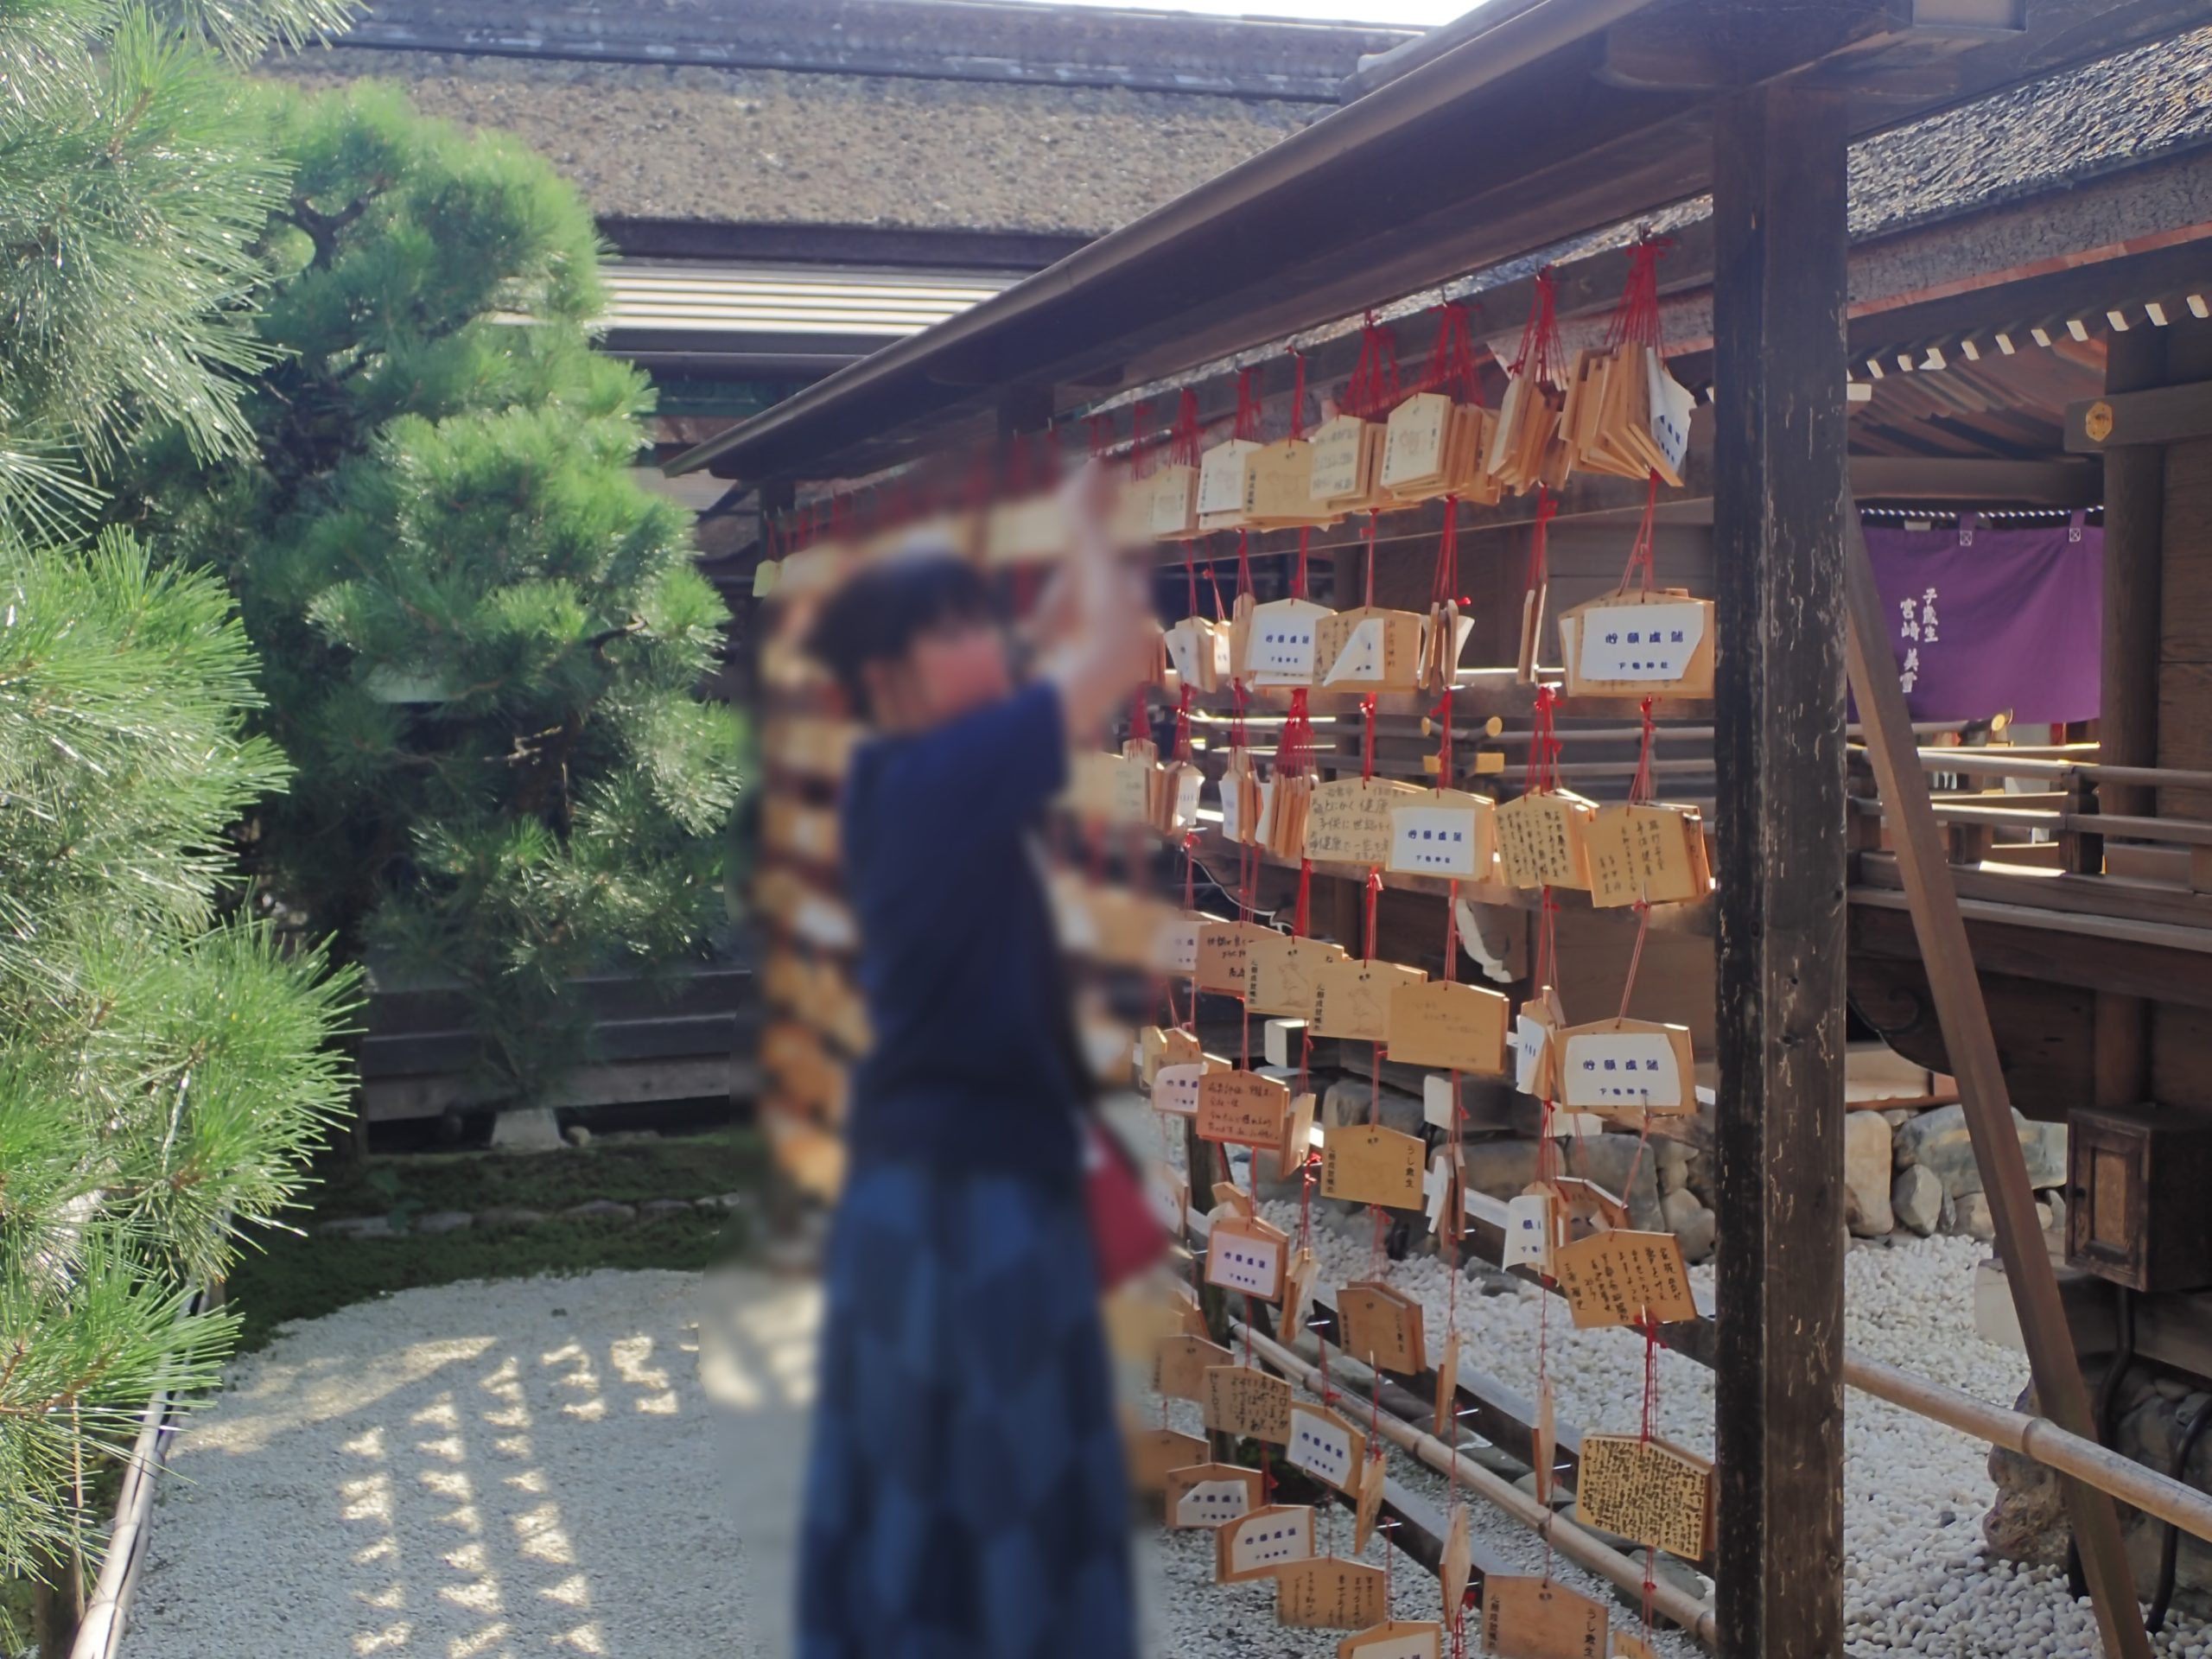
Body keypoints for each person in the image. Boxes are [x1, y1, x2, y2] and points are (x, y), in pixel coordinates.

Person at [794, 461, 1156, 1659]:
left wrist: (1051, 591)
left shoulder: (905, 778)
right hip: (974, 1196)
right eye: (948, 630)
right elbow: (1110, 658)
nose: (982, 645)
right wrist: (1096, 537)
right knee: (1005, 1497)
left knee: (921, 1492)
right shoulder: (943, 777)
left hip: (929, 1177)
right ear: (891, 676)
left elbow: (1050, 654)